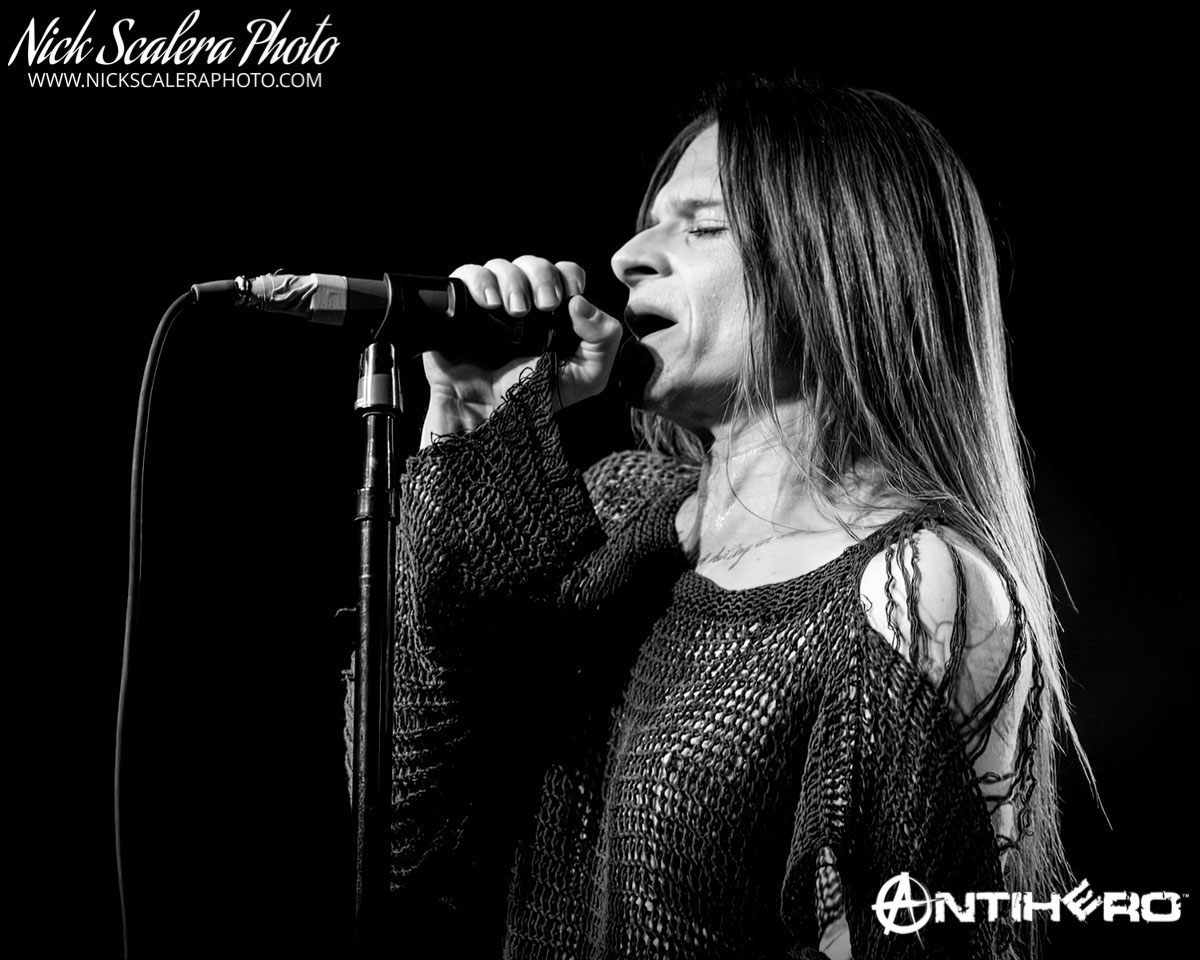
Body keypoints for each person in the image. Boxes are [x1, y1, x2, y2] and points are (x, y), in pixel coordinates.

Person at [347, 75, 1085, 959]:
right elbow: (403, 845)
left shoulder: (912, 585)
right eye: (650, 223)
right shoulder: (615, 514)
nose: (628, 257)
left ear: (842, 266)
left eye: (703, 226)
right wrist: (467, 437)